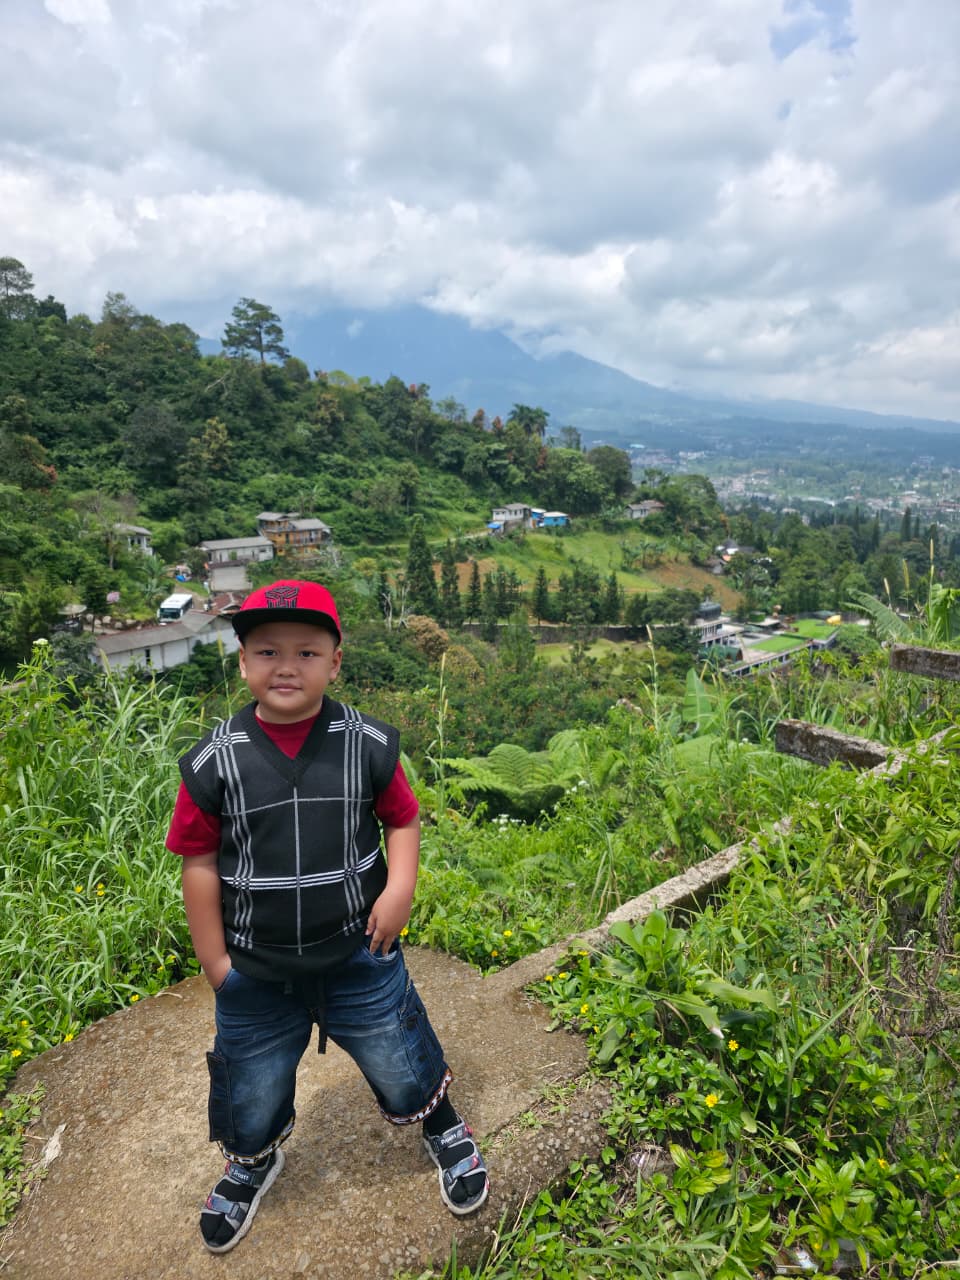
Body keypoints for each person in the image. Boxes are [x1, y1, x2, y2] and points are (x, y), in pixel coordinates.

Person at [166, 579, 489, 1254]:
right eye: (268, 651)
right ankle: (252, 1160)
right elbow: (198, 861)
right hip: (254, 967)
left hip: (357, 952)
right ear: (243, 663)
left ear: (335, 662)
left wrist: (399, 889)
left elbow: (402, 819)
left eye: (307, 652)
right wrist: (215, 961)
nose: (287, 667)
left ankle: (440, 1123)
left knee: (400, 1052)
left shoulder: (365, 742)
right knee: (251, 1085)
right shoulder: (213, 761)